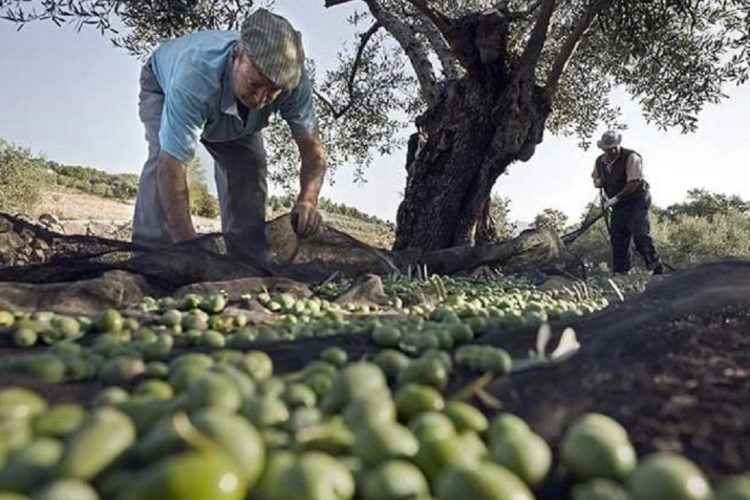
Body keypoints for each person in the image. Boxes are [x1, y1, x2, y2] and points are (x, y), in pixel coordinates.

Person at [132, 8, 326, 260]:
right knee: (162, 156)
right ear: (237, 55)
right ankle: (151, 258)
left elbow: (314, 152)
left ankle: (246, 259)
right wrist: (190, 248)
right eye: (254, 84)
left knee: (250, 167)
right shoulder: (195, 76)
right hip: (163, 86)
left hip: (236, 119)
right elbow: (172, 168)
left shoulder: (292, 85)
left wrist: (308, 199)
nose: (260, 99)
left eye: (272, 91)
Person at [592, 130, 664, 275]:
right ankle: (622, 274)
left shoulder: (631, 157)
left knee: (640, 234)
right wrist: (598, 182)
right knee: (618, 239)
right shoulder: (600, 161)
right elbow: (596, 178)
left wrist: (615, 199)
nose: (609, 151)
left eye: (612, 148)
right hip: (618, 206)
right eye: (606, 149)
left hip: (637, 200)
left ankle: (656, 266)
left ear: (617, 146)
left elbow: (634, 183)